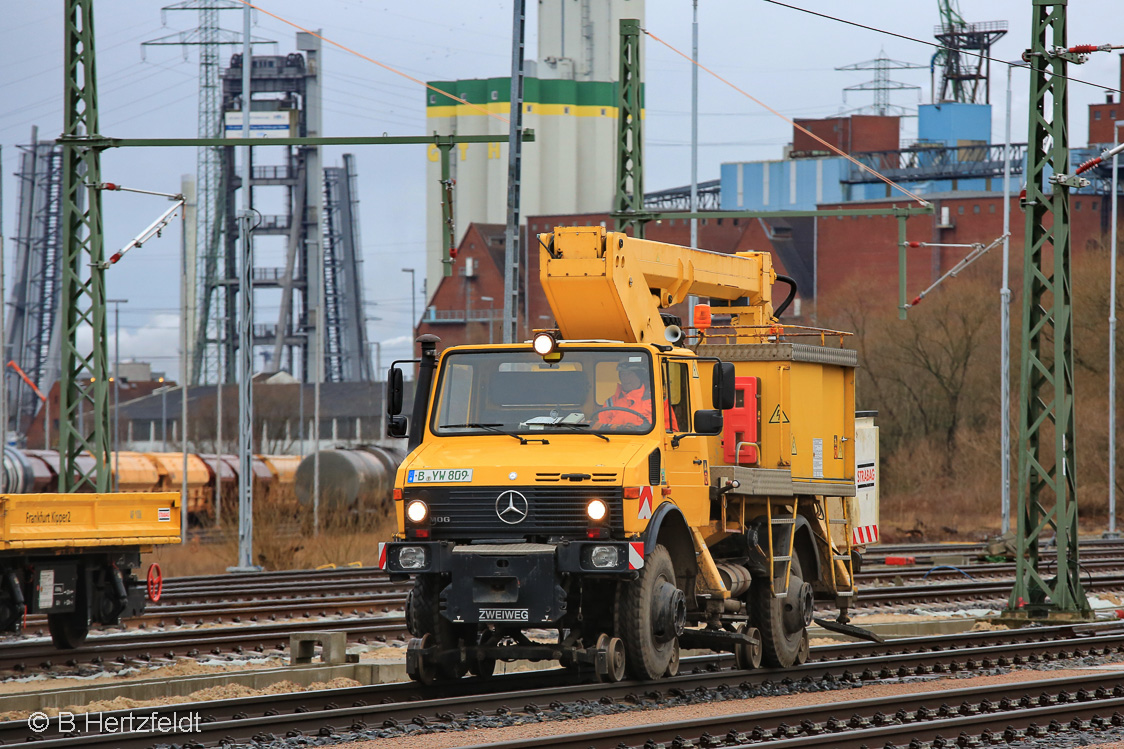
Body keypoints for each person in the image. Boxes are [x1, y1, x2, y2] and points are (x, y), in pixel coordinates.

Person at [593, 362, 653, 429]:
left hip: (643, 438)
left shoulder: (655, 400)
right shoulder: (610, 402)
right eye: (623, 374)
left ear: (640, 377)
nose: (625, 379)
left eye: (630, 374)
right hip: (613, 439)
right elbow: (601, 427)